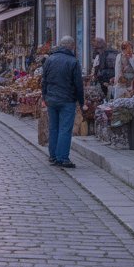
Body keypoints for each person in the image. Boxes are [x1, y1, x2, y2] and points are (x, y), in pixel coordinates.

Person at [41, 35, 84, 168]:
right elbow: (78, 84)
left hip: (52, 99)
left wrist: (45, 97)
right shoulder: (73, 61)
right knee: (65, 129)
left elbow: (44, 81)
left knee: (54, 128)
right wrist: (81, 102)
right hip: (67, 100)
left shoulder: (50, 60)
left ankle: (53, 156)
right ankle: (63, 158)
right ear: (71, 46)